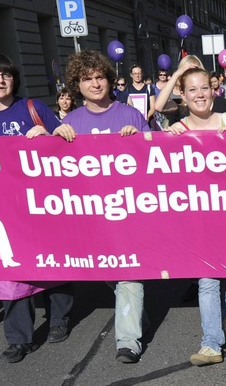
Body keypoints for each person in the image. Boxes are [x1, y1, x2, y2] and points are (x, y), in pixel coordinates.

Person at [0, 52, 73, 363]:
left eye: (5, 74)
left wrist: (49, 133)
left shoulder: (33, 107)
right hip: (6, 206)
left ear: (14, 79)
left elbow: (67, 141)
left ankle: (59, 320)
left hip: (43, 202)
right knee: (10, 270)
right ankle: (18, 339)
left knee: (53, 262)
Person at [53, 49, 150, 364]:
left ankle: (128, 341)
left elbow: (158, 160)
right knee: (111, 272)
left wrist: (139, 138)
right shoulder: (73, 120)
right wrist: (54, 137)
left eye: (99, 77)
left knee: (128, 273)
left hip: (129, 211)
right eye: (87, 79)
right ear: (76, 86)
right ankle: (136, 315)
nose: (95, 84)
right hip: (92, 215)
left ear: (109, 79)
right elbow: (54, 169)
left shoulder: (130, 114)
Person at [164, 67, 226, 366]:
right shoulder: (177, 130)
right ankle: (211, 343)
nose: (200, 94)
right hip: (199, 218)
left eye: (204, 88)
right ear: (183, 95)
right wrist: (168, 140)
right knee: (208, 278)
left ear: (214, 90)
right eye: (192, 89)